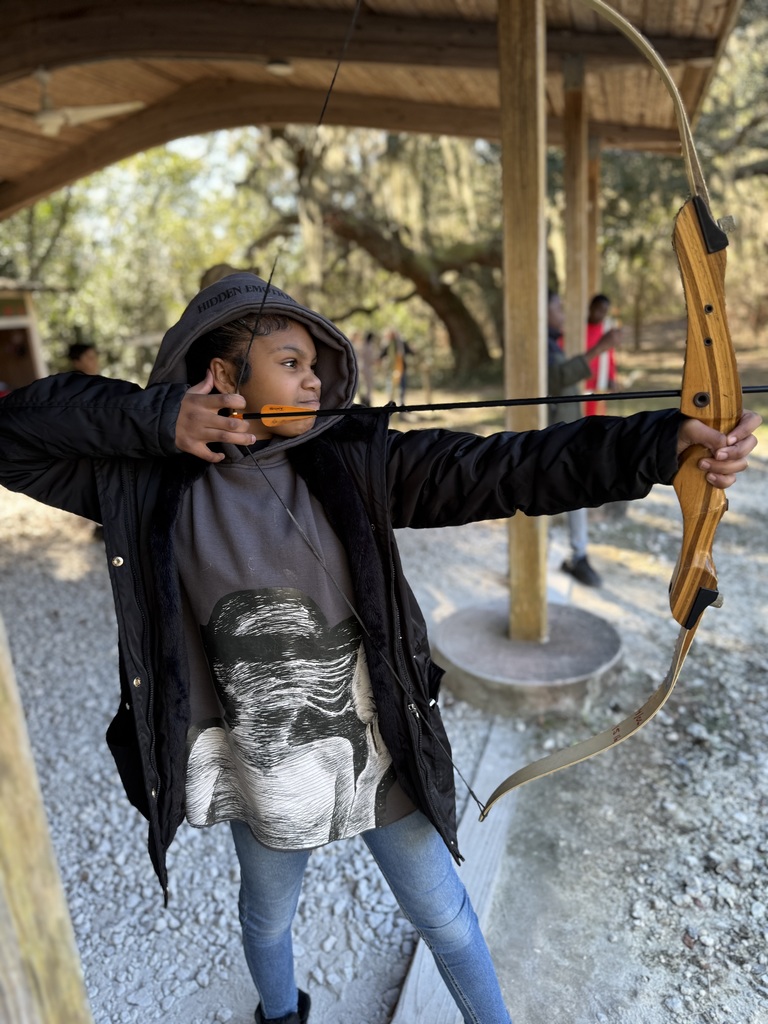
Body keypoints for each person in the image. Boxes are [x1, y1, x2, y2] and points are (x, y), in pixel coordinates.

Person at [0, 272, 758, 1024]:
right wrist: (157, 418)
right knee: (267, 917)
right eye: (289, 362)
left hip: (376, 749)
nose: (312, 380)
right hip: (257, 762)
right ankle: (280, 1014)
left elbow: (503, 468)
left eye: (315, 365)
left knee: (448, 921)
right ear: (225, 375)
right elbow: (15, 436)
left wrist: (658, 445)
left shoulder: (353, 461)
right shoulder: (145, 483)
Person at [547, 290, 625, 587]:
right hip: (553, 435)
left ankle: (577, 556)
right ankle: (547, 560)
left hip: (566, 430)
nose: (563, 314)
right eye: (557, 307)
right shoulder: (544, 345)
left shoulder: (553, 341)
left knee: (573, 491)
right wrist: (600, 348)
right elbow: (558, 377)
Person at [584, 293, 623, 416]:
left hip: (599, 386)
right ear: (591, 307)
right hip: (582, 382)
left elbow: (610, 357)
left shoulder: (606, 330)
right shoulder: (580, 329)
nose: (601, 314)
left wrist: (611, 377)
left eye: (604, 312)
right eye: (598, 309)